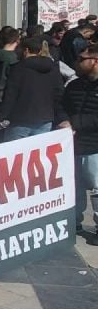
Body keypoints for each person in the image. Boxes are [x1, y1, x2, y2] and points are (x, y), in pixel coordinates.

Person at [60, 45, 98, 237]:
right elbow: (62, 106)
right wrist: (64, 120)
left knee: (96, 188)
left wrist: (76, 123)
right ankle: (74, 222)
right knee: (74, 186)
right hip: (73, 146)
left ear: (94, 61)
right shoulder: (74, 85)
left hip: (94, 147)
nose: (77, 62)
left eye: (82, 59)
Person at [0, 36, 64, 141]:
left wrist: (3, 115)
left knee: (16, 153)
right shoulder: (53, 67)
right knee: (37, 153)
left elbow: (11, 94)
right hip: (46, 117)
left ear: (26, 50)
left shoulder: (18, 68)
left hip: (20, 119)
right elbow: (59, 91)